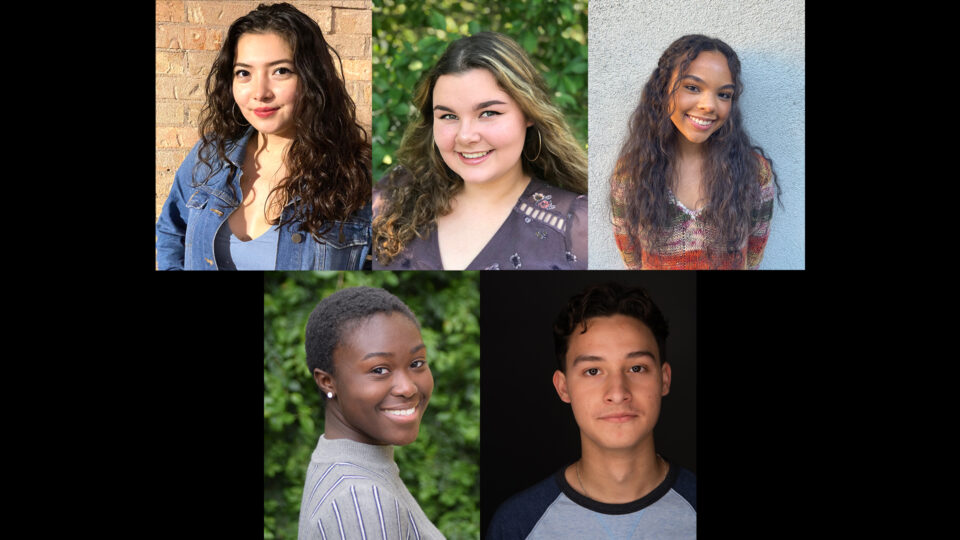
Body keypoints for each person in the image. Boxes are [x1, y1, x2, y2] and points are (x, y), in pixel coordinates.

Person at [156, 3, 371, 270]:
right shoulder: (210, 156)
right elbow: (171, 230)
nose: (260, 92)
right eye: (244, 73)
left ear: (313, 78)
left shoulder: (358, 175)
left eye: (281, 71)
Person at [487, 282, 696, 539]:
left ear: (664, 379)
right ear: (563, 387)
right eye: (593, 371)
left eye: (637, 368)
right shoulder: (517, 524)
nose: (618, 393)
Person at [372, 32, 588, 270]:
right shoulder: (393, 196)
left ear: (528, 113)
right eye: (448, 116)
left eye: (488, 113)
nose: (465, 136)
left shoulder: (575, 226)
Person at [610, 34, 781, 270]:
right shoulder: (631, 172)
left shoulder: (755, 172)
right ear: (662, 90)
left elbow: (754, 253)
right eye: (692, 87)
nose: (709, 105)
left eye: (724, 94)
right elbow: (631, 256)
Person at [298, 286, 445, 539]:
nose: (407, 388)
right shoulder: (360, 499)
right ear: (326, 381)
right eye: (379, 370)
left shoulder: (347, 467)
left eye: (416, 363)